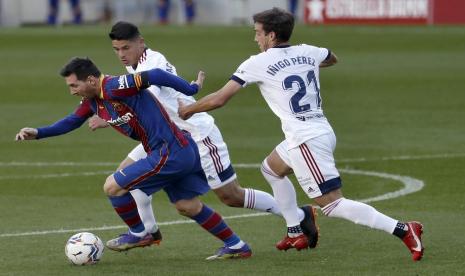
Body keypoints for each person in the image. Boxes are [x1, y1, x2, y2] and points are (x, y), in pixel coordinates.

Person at [178, 7, 425, 261]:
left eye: (258, 33)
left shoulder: (257, 63)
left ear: (272, 35)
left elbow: (220, 98)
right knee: (272, 169)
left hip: (306, 140)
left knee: (332, 204)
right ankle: (295, 229)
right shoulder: (309, 51)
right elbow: (332, 58)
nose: (256, 39)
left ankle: (404, 229)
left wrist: (189, 110)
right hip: (318, 130)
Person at [87, 21, 319, 252]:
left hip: (198, 135)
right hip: (167, 137)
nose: (121, 55)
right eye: (116, 50)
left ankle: (299, 215)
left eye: (126, 48)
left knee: (231, 196)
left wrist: (110, 116)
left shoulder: (153, 62)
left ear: (141, 43)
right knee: (123, 179)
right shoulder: (135, 65)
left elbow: (148, 98)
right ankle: (147, 231)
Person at [15, 57, 252, 260]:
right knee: (187, 206)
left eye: (74, 85)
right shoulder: (93, 102)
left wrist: (190, 91)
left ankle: (141, 233)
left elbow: (156, 74)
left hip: (170, 151)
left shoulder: (115, 86)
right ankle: (237, 245)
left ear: (90, 80)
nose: (72, 90)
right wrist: (38, 133)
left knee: (113, 186)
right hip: (179, 150)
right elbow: (70, 122)